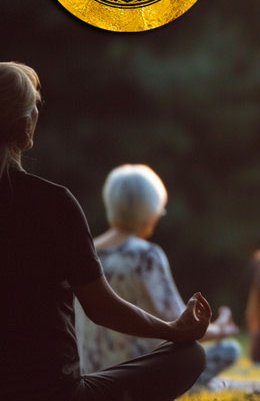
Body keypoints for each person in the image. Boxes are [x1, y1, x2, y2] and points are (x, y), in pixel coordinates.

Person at [0, 62, 209, 401]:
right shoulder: (53, 203)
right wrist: (174, 330)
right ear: (26, 123)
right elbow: (101, 307)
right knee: (189, 356)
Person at [77, 164, 241, 388]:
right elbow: (179, 324)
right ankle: (194, 386)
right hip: (139, 373)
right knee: (227, 349)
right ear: (149, 210)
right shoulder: (145, 256)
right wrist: (221, 330)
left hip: (91, 374)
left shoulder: (86, 251)